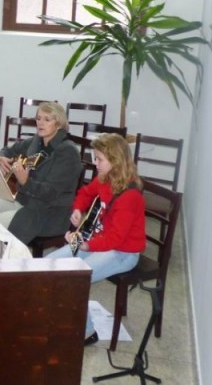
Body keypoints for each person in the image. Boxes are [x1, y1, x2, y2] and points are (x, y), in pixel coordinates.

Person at [47, 133, 145, 346]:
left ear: (115, 161)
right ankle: (61, 314)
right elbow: (85, 193)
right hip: (98, 240)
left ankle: (87, 332)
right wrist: (77, 208)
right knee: (50, 264)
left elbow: (116, 238)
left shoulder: (129, 197)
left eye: (99, 159)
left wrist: (85, 244)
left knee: (75, 278)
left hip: (123, 252)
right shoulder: (104, 179)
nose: (95, 163)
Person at [0, 102, 82, 256]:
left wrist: (25, 182)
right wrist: (1, 157)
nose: (40, 123)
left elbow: (50, 193)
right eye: (38, 118)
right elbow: (7, 149)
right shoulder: (36, 141)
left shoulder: (68, 152)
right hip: (25, 200)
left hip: (49, 212)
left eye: (47, 119)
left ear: (59, 124)